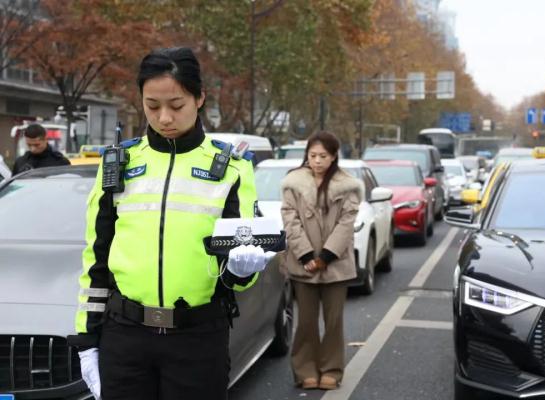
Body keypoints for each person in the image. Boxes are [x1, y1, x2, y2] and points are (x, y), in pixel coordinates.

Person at [68, 47, 271, 400]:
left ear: (199, 98)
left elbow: (239, 266)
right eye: (152, 105)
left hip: (198, 338)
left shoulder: (233, 169)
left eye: (176, 105)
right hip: (125, 337)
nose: (164, 118)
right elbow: (97, 257)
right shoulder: (120, 164)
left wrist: (241, 270)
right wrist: (87, 338)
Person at [280, 131, 361, 390]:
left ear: (334, 156)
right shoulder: (293, 183)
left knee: (334, 321)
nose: (316, 161)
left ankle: (332, 370)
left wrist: (326, 256)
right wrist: (305, 255)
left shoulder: (347, 185)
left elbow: (347, 222)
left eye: (322, 156)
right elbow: (289, 219)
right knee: (305, 321)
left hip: (336, 264)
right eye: (312, 155)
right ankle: (305, 370)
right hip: (302, 263)